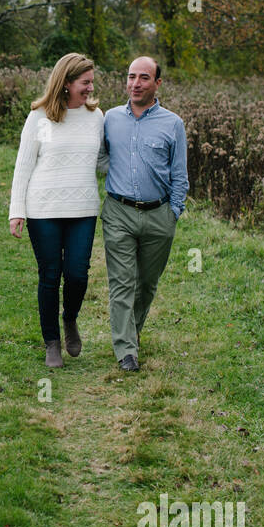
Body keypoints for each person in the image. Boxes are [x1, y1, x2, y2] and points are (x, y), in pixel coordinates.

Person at [8, 53, 104, 368]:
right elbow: (24, 165)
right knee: (50, 275)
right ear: (66, 83)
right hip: (43, 208)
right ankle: (52, 343)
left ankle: (70, 319)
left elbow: (103, 159)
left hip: (83, 207)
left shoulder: (96, 116)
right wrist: (16, 210)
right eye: (85, 82)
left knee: (77, 273)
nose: (90, 88)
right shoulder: (40, 117)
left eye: (91, 82)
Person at [96, 55, 189, 372]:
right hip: (118, 212)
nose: (135, 83)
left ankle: (130, 334)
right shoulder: (109, 118)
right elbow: (99, 158)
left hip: (158, 215)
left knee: (146, 284)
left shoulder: (173, 124)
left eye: (144, 78)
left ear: (157, 83)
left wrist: (173, 212)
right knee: (122, 282)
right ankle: (126, 351)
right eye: (131, 76)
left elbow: (180, 175)